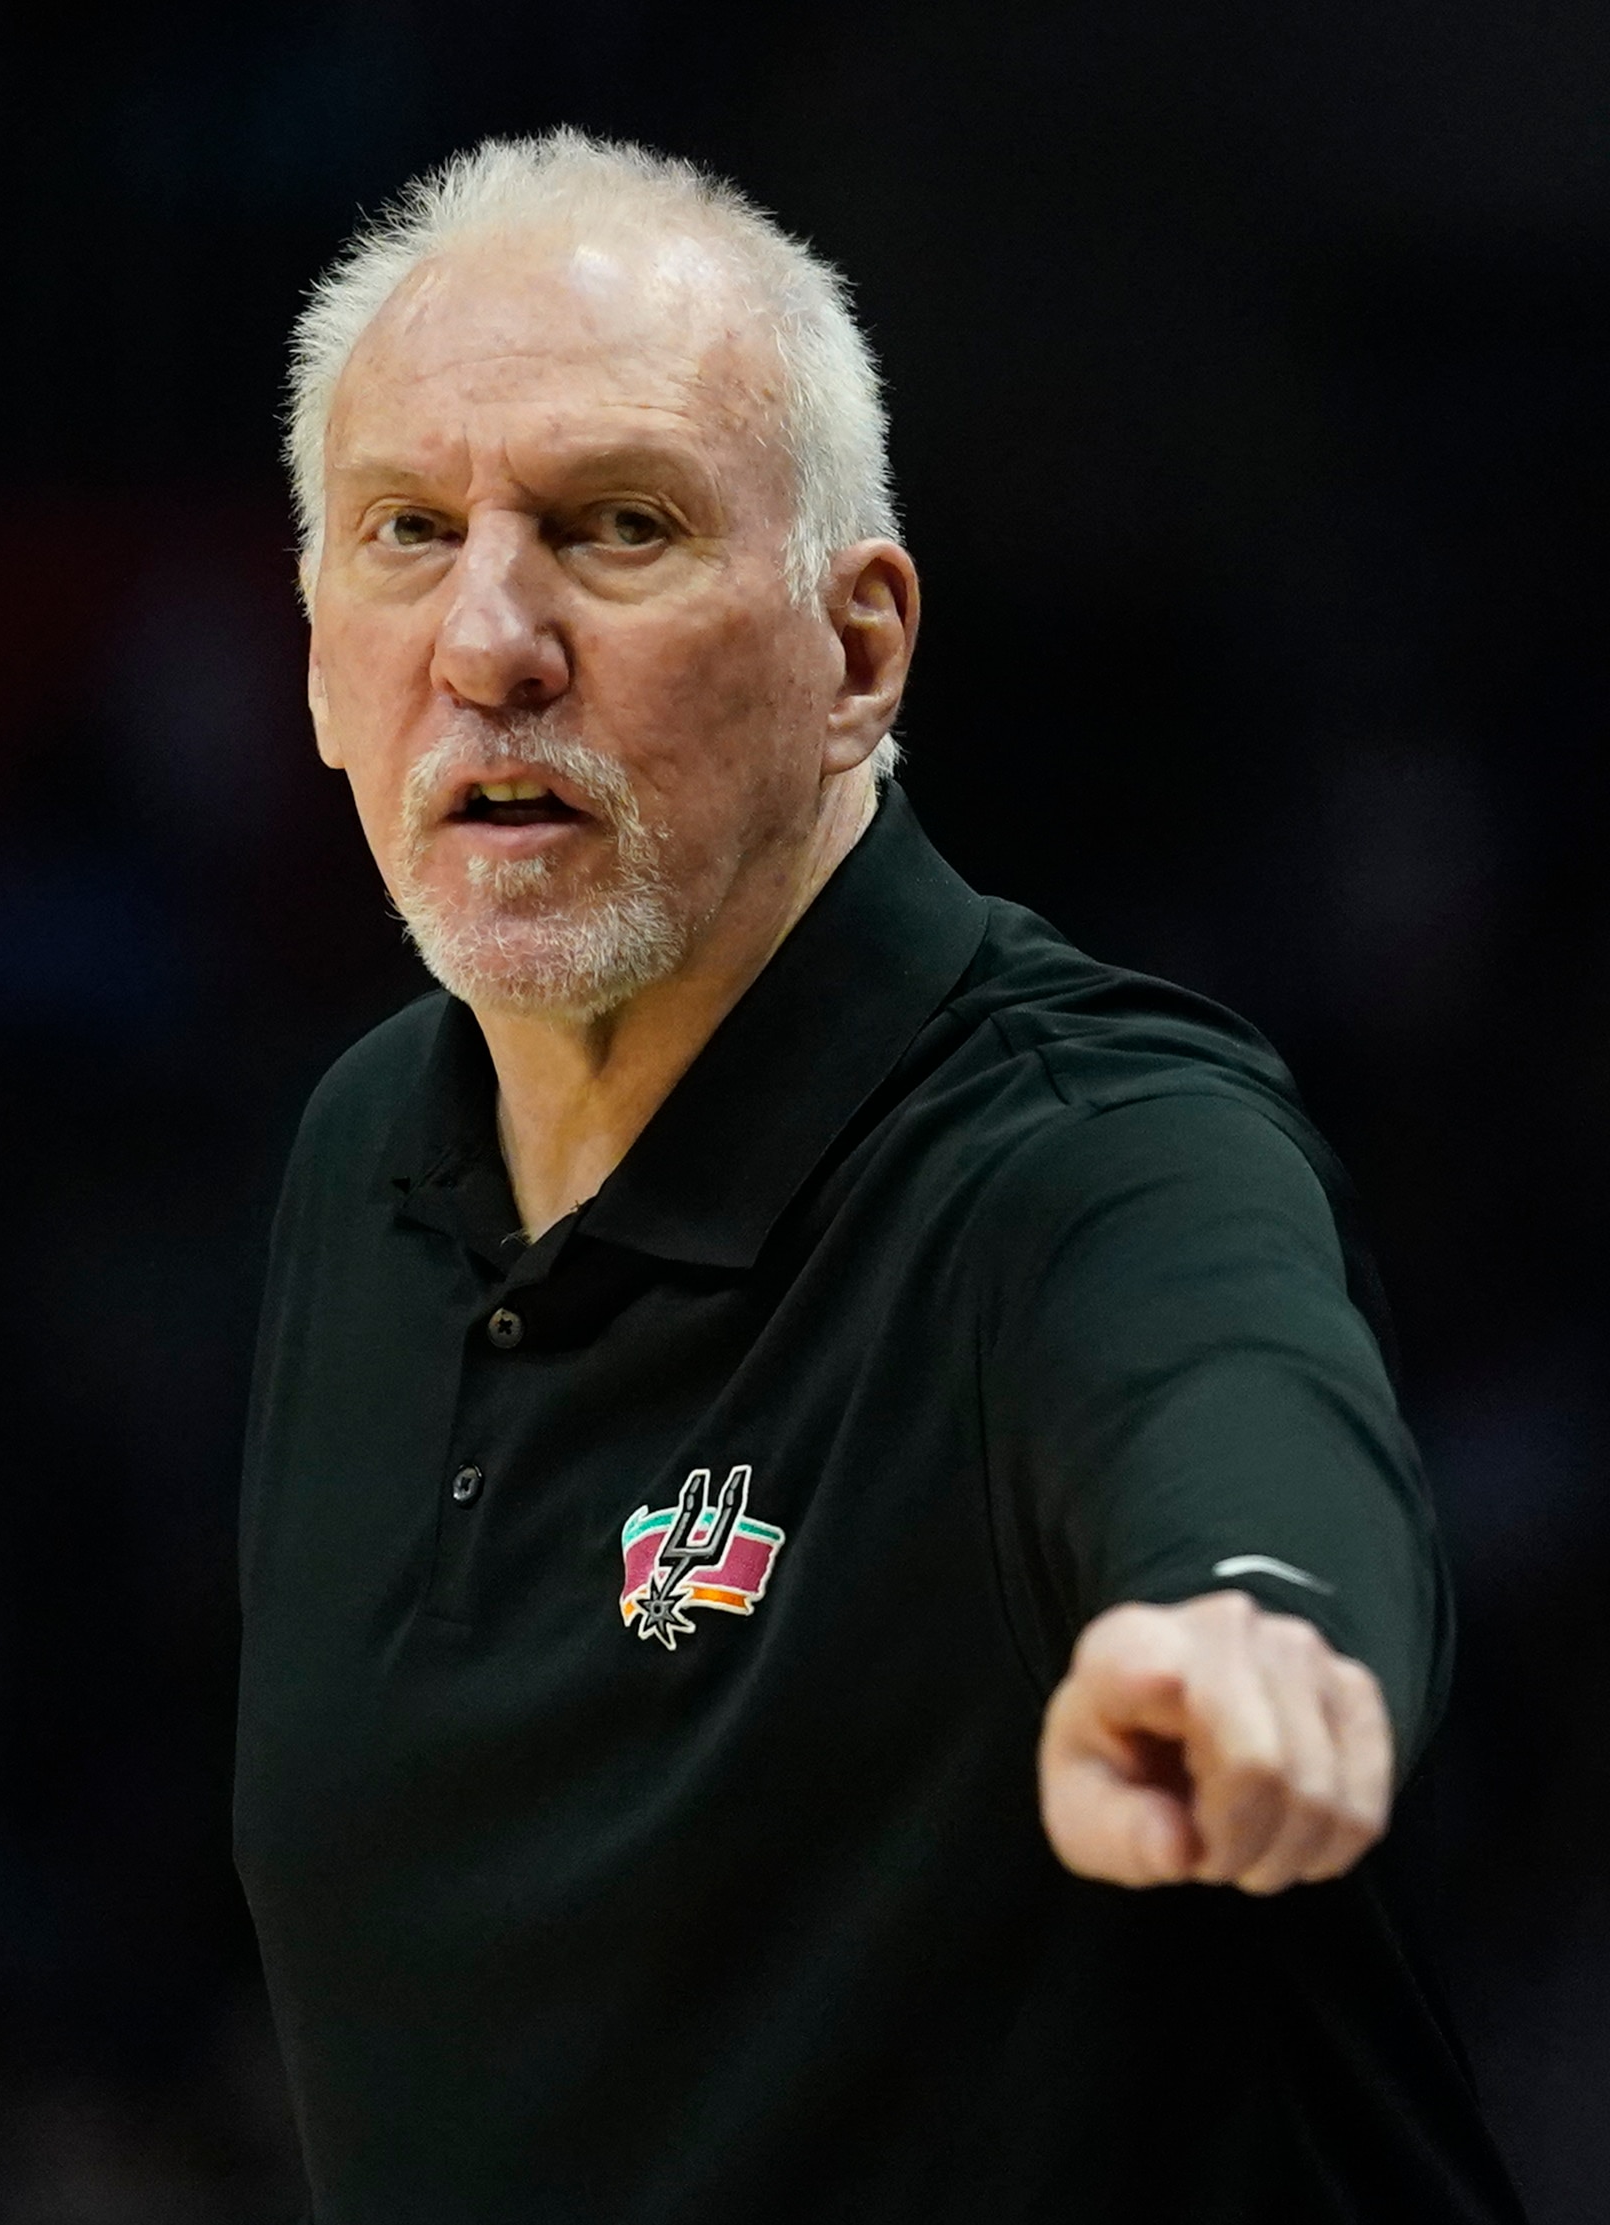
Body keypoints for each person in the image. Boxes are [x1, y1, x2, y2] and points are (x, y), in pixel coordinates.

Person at [235, 130, 1524, 2223]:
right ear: (312, 658)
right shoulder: (363, 1155)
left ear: (859, 652)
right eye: (405, 533)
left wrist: (1254, 1630)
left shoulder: (1081, 1148)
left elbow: (1225, 1393)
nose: (488, 640)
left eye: (614, 526)